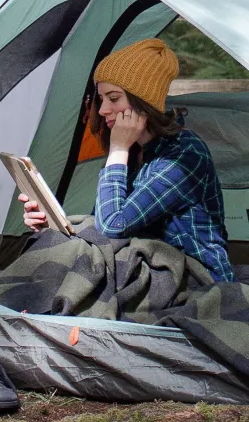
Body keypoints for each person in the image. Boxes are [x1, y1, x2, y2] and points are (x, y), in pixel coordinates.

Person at [20, 37, 235, 282]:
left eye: (113, 98)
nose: (102, 110)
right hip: (148, 269)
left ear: (143, 101)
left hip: (197, 277)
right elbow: (101, 222)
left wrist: (118, 150)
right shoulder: (133, 154)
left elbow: (114, 226)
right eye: (101, 99)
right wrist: (50, 226)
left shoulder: (184, 155)